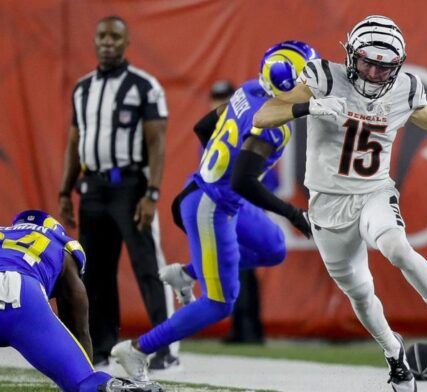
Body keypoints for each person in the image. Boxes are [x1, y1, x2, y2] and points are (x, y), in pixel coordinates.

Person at [253, 15, 427, 392]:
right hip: (326, 203)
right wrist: (311, 108)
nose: (372, 73)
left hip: (373, 191)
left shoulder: (404, 89)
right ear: (350, 54)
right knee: (359, 292)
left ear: (398, 67)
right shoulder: (325, 76)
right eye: (366, 62)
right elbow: (264, 114)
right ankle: (394, 355)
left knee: (395, 245)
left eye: (383, 66)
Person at [111, 40, 316, 382]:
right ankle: (136, 349)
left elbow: (202, 127)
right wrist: (296, 215)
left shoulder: (249, 90)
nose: (312, 84)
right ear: (286, 82)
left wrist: (223, 162)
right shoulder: (274, 124)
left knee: (273, 248)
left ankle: (188, 273)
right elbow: (244, 182)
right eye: (306, 78)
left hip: (218, 194)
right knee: (221, 302)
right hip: (212, 205)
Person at [57, 15, 177, 370]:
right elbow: (75, 142)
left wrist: (152, 192)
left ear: (126, 44)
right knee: (94, 272)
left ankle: (164, 346)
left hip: (131, 186)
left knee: (147, 267)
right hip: (92, 187)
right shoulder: (82, 88)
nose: (107, 42)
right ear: (94, 42)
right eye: (102, 37)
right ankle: (103, 343)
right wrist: (65, 191)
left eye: (114, 37)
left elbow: (157, 141)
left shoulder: (144, 85)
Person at [0, 210, 163, 392]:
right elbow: (79, 324)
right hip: (19, 295)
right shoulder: (60, 243)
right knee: (83, 383)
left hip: (17, 289)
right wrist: (85, 372)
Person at [207, 79, 269, 344]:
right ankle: (243, 329)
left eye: (225, 96)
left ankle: (249, 330)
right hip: (225, 208)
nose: (219, 102)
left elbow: (268, 175)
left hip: (243, 208)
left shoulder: (246, 126)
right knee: (234, 270)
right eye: (216, 97)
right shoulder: (214, 131)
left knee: (243, 270)